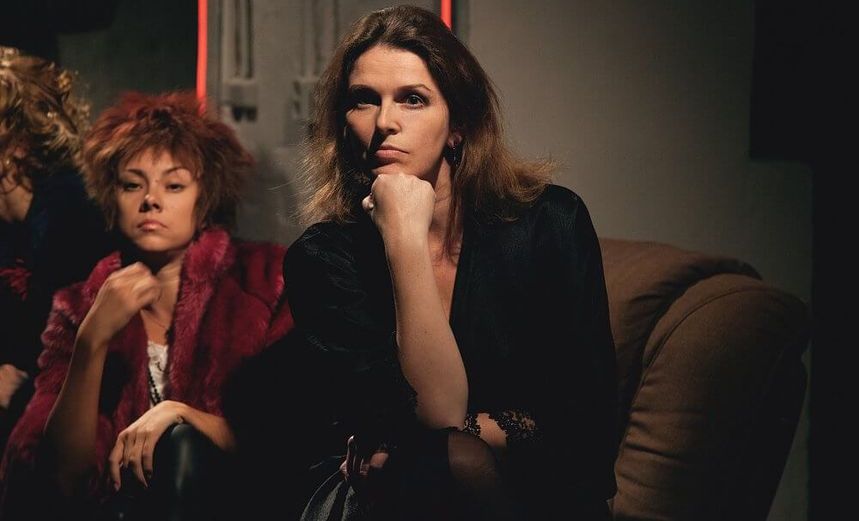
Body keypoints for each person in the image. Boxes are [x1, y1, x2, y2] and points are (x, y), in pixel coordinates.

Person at [283, 5, 618, 520]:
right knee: (447, 462)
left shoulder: (551, 223)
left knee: (457, 457)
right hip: (377, 500)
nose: (384, 122)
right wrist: (404, 242)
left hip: (535, 489)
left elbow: (586, 431)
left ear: (458, 124)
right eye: (363, 99)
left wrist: (464, 434)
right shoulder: (323, 257)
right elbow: (435, 413)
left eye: (413, 99)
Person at [0, 91, 293, 521]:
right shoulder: (79, 305)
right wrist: (91, 341)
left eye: (174, 185)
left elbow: (288, 441)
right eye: (132, 184)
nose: (150, 199)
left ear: (205, 199)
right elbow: (63, 479)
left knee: (183, 445)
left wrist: (181, 415)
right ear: (111, 197)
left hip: (239, 505)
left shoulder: (265, 282)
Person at [0, 46, 114, 453]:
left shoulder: (71, 213)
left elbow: (62, 353)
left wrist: (16, 381)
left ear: (18, 141)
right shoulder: (13, 225)